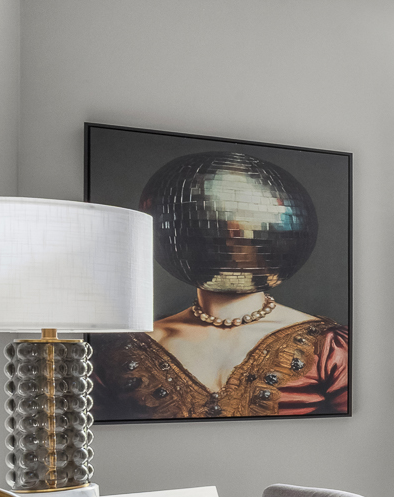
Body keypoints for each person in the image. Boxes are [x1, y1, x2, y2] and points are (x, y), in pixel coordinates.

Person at [93, 150, 349, 419]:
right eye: (218, 221)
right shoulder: (124, 348)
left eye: (246, 221)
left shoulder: (327, 346)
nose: (234, 235)